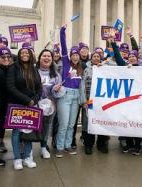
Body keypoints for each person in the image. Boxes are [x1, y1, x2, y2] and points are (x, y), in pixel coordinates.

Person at [6, 46, 42, 170]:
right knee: (16, 132)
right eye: (23, 52)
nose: (25, 54)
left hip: (31, 105)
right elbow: (10, 86)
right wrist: (27, 100)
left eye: (27, 52)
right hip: (17, 104)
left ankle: (27, 157)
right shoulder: (14, 67)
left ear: (30, 55)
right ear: (19, 54)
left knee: (29, 131)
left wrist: (35, 100)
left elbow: (39, 87)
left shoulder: (34, 68)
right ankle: (17, 158)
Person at [55, 25, 85, 158]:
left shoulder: (81, 68)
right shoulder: (66, 63)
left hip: (76, 97)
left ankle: (67, 146)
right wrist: (62, 31)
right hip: (65, 96)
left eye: (77, 55)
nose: (75, 57)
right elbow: (63, 45)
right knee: (63, 123)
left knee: (72, 124)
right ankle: (59, 147)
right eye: (73, 54)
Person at [36, 49, 64, 159]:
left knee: (47, 126)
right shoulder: (34, 71)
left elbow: (59, 92)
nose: (46, 58)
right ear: (40, 58)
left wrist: (56, 90)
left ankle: (43, 146)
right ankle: (26, 149)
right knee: (32, 126)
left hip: (50, 105)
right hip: (35, 104)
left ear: (52, 59)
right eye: (44, 56)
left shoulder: (56, 74)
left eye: (49, 56)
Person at [81, 50, 109, 155]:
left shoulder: (105, 68)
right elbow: (82, 85)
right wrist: (84, 100)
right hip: (89, 100)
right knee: (87, 122)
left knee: (101, 121)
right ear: (91, 58)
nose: (96, 58)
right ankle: (88, 145)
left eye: (98, 56)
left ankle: (101, 144)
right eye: (94, 56)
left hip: (101, 101)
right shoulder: (86, 69)